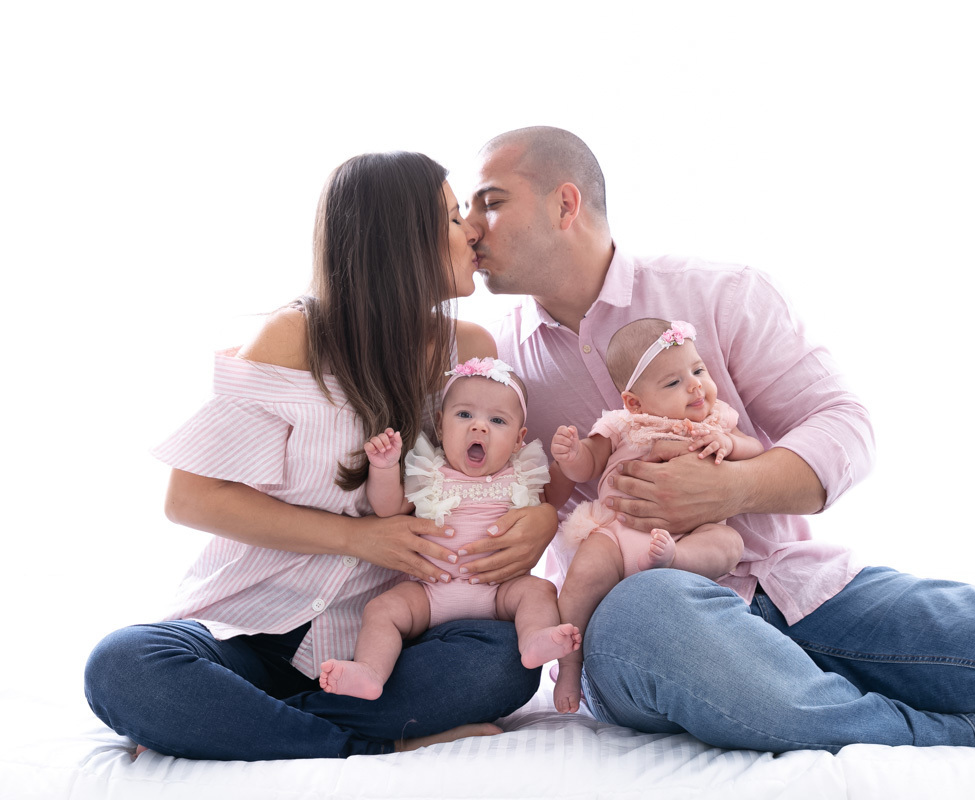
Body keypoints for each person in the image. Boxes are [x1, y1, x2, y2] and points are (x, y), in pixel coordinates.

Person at [463, 125, 975, 771]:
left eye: (490, 202)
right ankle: (954, 734)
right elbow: (491, 501)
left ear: (565, 204)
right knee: (653, 612)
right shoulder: (498, 368)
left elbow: (843, 425)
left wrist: (729, 489)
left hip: (800, 589)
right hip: (652, 618)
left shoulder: (720, 294)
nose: (471, 227)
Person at [83, 151, 560, 761]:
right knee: (123, 665)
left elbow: (496, 473)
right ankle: (374, 742)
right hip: (252, 628)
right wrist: (358, 539)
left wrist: (543, 519)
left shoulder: (467, 350)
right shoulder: (294, 337)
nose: (472, 229)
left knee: (503, 663)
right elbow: (191, 499)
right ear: (398, 240)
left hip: (379, 643)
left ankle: (239, 725)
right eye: (450, 216)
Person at [319, 357, 581, 701]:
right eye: (464, 414)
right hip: (430, 592)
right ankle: (370, 670)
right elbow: (388, 508)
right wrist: (384, 468)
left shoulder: (521, 474)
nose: (479, 427)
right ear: (441, 426)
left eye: (497, 420)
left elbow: (553, 500)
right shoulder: (430, 471)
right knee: (381, 610)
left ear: (519, 440)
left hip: (500, 591)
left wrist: (568, 461)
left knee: (539, 590)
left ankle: (533, 638)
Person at [549, 318, 756, 711]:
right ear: (634, 403)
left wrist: (729, 444)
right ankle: (570, 664)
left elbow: (755, 448)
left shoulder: (718, 420)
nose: (695, 386)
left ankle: (675, 560)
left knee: (728, 543)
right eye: (674, 382)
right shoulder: (622, 424)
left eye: (698, 371)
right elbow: (588, 464)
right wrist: (572, 455)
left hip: (690, 533)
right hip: (618, 533)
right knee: (582, 576)